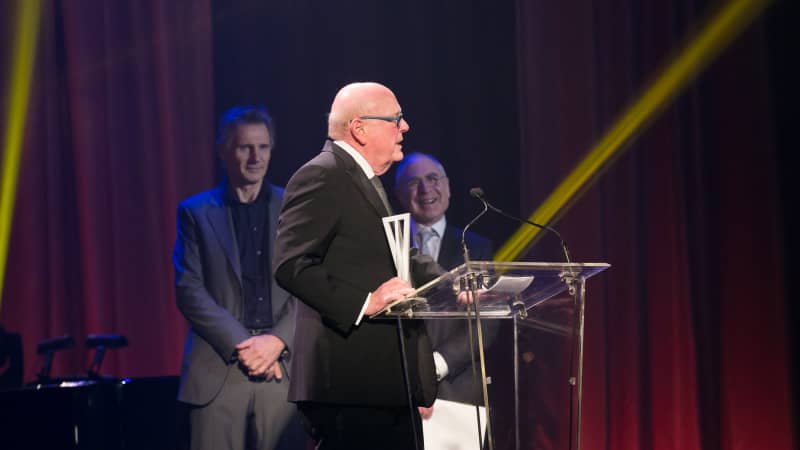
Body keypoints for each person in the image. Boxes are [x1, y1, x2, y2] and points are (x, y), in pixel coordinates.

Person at [273, 82, 444, 450]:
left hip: (386, 385)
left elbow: (399, 256)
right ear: (359, 128)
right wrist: (366, 302)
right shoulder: (322, 174)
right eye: (395, 118)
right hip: (349, 387)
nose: (405, 127)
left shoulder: (364, 179)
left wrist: (454, 285)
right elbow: (291, 264)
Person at [173, 106, 300, 450]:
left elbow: (308, 283)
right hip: (219, 367)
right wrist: (244, 347)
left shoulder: (294, 207)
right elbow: (189, 289)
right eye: (245, 147)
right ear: (224, 152)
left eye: (264, 147)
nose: (256, 157)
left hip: (281, 368)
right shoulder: (195, 212)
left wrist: (276, 342)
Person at [394, 153, 497, 445]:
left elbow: (487, 322)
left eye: (433, 179)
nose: (426, 189)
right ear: (399, 193)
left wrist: (436, 365)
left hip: (459, 389)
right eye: (414, 182)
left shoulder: (476, 247)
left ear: (448, 187)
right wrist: (411, 373)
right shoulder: (388, 247)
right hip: (398, 390)